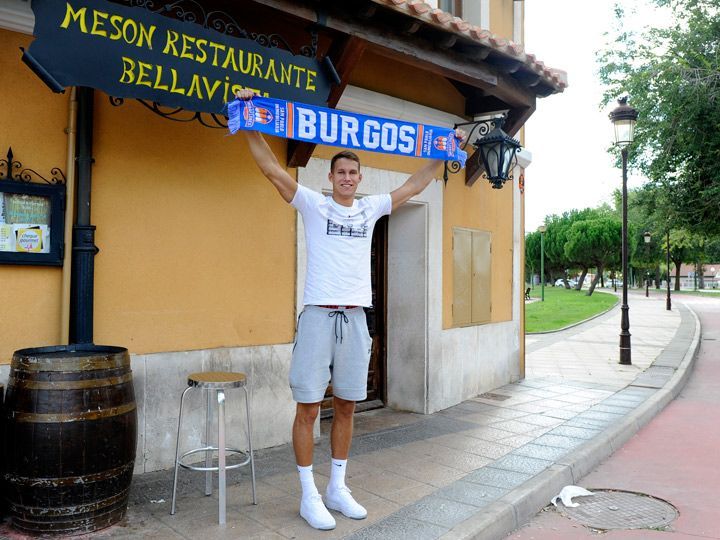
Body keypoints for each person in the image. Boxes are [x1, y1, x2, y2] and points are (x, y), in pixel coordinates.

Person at [235, 89, 465, 530]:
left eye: (352, 173)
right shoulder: (312, 204)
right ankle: (308, 494)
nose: (346, 178)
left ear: (360, 178)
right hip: (319, 316)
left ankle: (337, 487)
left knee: (346, 406)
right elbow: (270, 169)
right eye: (340, 171)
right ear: (332, 176)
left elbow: (416, 185)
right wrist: (248, 120)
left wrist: (444, 150)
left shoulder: (369, 209)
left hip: (356, 319)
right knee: (307, 407)